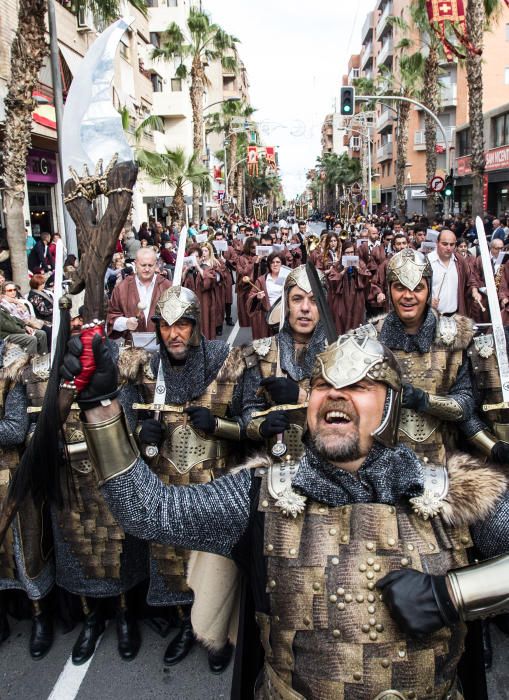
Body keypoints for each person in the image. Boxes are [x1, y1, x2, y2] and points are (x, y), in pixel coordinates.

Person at [66, 331, 509, 700]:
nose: (336, 395)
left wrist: (454, 594)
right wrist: (101, 408)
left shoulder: (455, 493)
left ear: (390, 404)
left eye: (357, 386)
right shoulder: (261, 494)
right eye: (322, 385)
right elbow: (151, 511)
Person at [112, 286, 264, 671]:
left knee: (217, 566)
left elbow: (252, 423)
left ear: (197, 326)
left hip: (215, 484)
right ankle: (186, 626)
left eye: (182, 324)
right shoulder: (144, 368)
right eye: (165, 326)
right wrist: (137, 435)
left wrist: (220, 425)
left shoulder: (228, 361)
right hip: (165, 484)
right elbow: (124, 426)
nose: (174, 334)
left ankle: (220, 638)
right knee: (172, 564)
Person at [370, 248, 476, 464]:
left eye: (417, 288)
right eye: (400, 287)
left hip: (440, 459)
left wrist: (424, 401)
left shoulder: (453, 337)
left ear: (428, 290)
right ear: (389, 290)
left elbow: (465, 405)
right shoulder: (369, 340)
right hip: (380, 461)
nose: (408, 296)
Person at [0, 341, 54, 658]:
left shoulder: (12, 369)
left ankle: (40, 617)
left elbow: (16, 428)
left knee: (26, 554)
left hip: (12, 478)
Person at [246, 265, 327, 463]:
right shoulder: (261, 353)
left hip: (326, 467)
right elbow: (247, 411)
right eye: (298, 299)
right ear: (287, 305)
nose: (305, 308)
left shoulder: (340, 354)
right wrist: (261, 426)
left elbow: (353, 414)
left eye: (314, 300)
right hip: (272, 468)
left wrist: (301, 396)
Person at [106, 247, 171, 339]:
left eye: (150, 265)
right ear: (136, 264)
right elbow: (111, 316)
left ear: (156, 264)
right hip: (133, 348)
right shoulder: (122, 288)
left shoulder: (166, 286)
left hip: (161, 345)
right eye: (143, 265)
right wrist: (125, 323)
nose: (147, 269)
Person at [328, 239, 371, 334]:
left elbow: (367, 276)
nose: (350, 255)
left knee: (356, 319)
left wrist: (358, 270)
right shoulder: (338, 264)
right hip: (342, 298)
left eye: (352, 252)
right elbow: (332, 279)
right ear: (343, 253)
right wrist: (343, 271)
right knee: (341, 318)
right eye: (347, 253)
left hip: (356, 297)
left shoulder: (360, 262)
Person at [428, 230, 473, 316]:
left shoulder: (460, 261)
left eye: (452, 244)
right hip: (432, 315)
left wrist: (474, 290)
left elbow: (470, 280)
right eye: (444, 244)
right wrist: (428, 301)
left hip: (455, 315)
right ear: (437, 243)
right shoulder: (427, 261)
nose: (448, 248)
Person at [246, 252, 283, 340]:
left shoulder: (287, 278)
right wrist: (257, 297)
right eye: (272, 262)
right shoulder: (262, 280)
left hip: (283, 316)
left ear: (282, 264)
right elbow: (252, 295)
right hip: (266, 316)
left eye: (278, 262)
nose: (275, 264)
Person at [236, 237, 260, 328]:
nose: (254, 249)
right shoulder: (241, 258)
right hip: (246, 289)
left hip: (258, 288)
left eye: (256, 247)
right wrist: (254, 262)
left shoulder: (262, 257)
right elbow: (242, 273)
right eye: (252, 247)